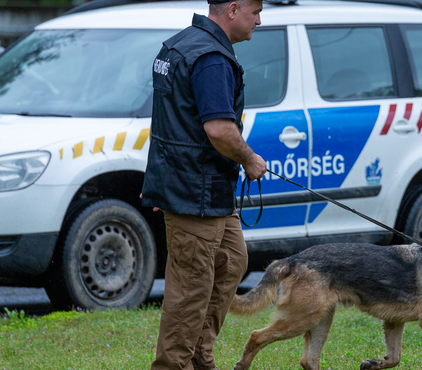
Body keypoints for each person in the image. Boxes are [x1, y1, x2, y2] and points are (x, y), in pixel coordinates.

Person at [140, 0, 266, 369]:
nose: (259, 20)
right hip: (195, 190)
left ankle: (199, 356)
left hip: (198, 186)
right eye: (255, 12)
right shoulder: (211, 58)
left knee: (231, 262)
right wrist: (249, 159)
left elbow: (174, 121)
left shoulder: (179, 44)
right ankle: (174, 364)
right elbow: (219, 129)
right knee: (191, 289)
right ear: (233, 9)